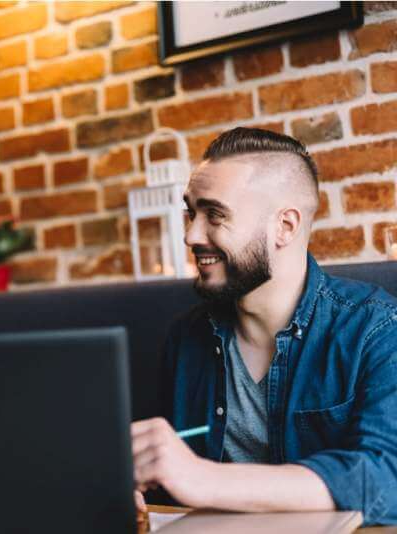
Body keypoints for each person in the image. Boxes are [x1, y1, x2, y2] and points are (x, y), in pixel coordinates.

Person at [132, 127, 397, 526]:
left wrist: (204, 479)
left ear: (285, 227)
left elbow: (386, 477)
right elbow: (168, 481)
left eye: (214, 215)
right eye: (191, 213)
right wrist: (134, 479)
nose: (190, 235)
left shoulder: (374, 328)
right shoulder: (186, 337)